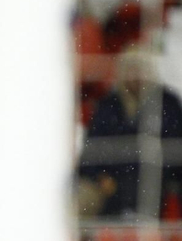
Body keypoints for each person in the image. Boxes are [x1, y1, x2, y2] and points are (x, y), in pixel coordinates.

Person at [78, 48, 182, 218]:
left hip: (160, 181)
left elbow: (175, 149)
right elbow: (90, 151)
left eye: (141, 69)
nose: (136, 76)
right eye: (131, 70)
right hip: (112, 184)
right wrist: (99, 176)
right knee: (80, 200)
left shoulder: (169, 104)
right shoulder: (108, 105)